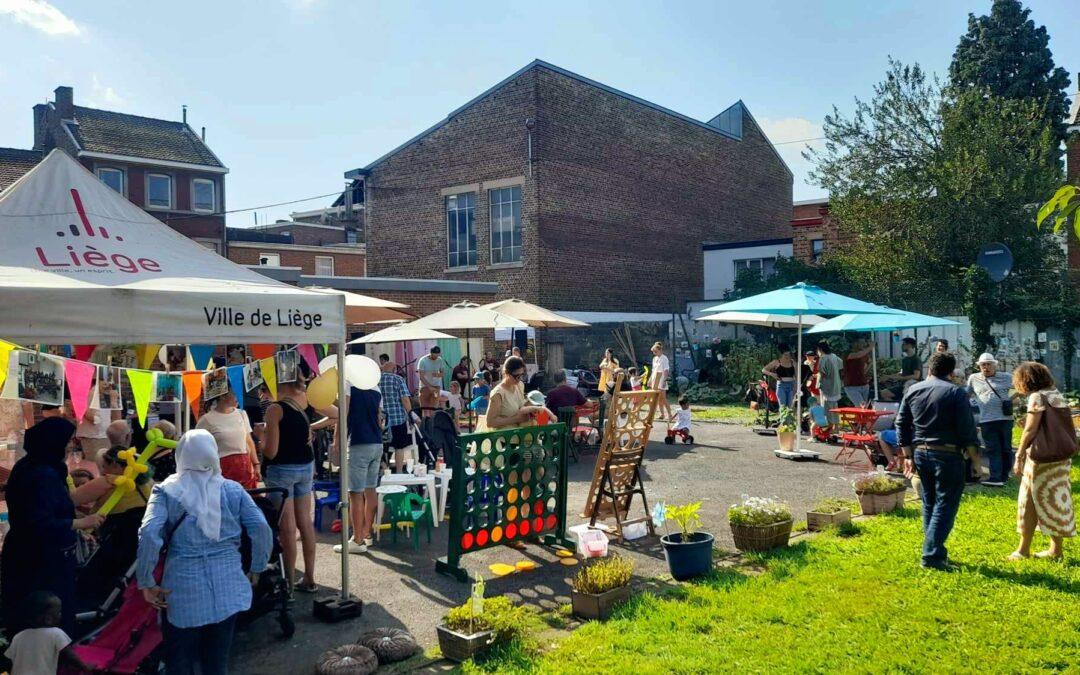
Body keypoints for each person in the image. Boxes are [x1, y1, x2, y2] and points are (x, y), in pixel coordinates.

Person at [137, 430, 271, 675]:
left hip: (182, 590)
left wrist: (146, 580)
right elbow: (261, 527)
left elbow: (148, 533)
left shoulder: (165, 492)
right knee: (216, 663)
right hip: (229, 585)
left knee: (179, 661)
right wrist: (257, 567)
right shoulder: (233, 490)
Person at [1, 417, 103, 637]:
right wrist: (79, 523)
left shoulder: (34, 466)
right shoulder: (42, 475)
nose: (70, 446)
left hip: (33, 555)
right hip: (38, 561)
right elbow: (38, 522)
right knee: (43, 623)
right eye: (67, 441)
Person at [896, 352, 979, 571]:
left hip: (921, 453)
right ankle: (931, 555)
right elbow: (967, 430)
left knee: (930, 503)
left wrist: (907, 455)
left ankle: (936, 552)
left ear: (929, 369)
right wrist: (976, 461)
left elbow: (901, 423)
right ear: (952, 372)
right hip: (948, 454)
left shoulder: (913, 390)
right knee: (945, 505)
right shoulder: (956, 392)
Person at [1008, 361, 1076, 561]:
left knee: (1029, 500)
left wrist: (1019, 454)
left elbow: (1030, 429)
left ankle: (1023, 550)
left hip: (1041, 458)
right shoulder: (1055, 393)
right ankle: (1056, 550)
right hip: (1060, 457)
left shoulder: (1037, 396)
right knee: (1054, 498)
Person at [261, 380, 318, 592]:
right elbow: (337, 412)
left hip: (282, 470)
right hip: (305, 466)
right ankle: (310, 577)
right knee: (305, 522)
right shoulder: (305, 399)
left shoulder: (275, 409)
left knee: (287, 528)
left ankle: (289, 585)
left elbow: (271, 452)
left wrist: (261, 438)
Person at [336, 381, 382, 554]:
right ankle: (366, 534)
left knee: (355, 493)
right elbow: (379, 420)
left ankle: (357, 540)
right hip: (377, 443)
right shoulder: (376, 389)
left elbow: (343, 414)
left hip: (358, 442)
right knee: (371, 490)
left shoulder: (348, 384)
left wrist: (336, 439)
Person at [4, 591, 93, 674]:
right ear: (48, 619)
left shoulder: (19, 636)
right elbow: (70, 656)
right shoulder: (56, 633)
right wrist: (86, 667)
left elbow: (9, 660)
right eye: (58, 612)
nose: (61, 615)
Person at [966, 353, 1015, 487]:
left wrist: (1011, 399)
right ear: (979, 366)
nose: (986, 367)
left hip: (1005, 419)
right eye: (983, 365)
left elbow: (1023, 387)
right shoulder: (973, 378)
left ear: (995, 365)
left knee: (1006, 448)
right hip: (986, 420)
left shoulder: (1006, 377)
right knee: (992, 449)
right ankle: (995, 478)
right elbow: (966, 395)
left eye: (989, 364)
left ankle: (1004, 476)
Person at [196, 389, 259, 489]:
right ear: (222, 396)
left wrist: (256, 464)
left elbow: (249, 441)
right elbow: (198, 449)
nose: (239, 398)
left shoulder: (242, 414)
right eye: (235, 394)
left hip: (244, 467)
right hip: (221, 469)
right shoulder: (206, 420)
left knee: (246, 501)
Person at [484, 357, 546, 430]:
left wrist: (531, 408)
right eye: (517, 376)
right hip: (505, 439)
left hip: (521, 436)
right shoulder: (498, 393)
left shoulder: (520, 385)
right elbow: (490, 422)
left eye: (522, 375)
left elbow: (519, 406)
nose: (520, 379)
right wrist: (516, 419)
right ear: (507, 373)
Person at [378, 356, 414, 474]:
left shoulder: (376, 380)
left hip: (381, 419)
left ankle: (384, 469)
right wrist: (410, 413)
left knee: (382, 446)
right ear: (394, 370)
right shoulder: (398, 379)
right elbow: (405, 399)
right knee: (399, 447)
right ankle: (398, 471)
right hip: (398, 418)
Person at [882, 337, 922, 401]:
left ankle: (901, 407)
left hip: (912, 387)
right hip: (903, 385)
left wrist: (899, 378)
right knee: (883, 393)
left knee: (884, 393)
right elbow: (902, 373)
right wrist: (888, 376)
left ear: (909, 345)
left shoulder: (916, 359)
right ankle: (898, 407)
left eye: (903, 344)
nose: (902, 346)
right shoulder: (905, 359)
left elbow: (916, 376)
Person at [816, 341, 844, 427]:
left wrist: (818, 382)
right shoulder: (834, 356)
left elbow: (822, 373)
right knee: (835, 407)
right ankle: (836, 427)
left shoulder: (823, 358)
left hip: (827, 386)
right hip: (836, 385)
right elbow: (841, 365)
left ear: (820, 350)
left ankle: (829, 428)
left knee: (827, 408)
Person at [762, 343, 797, 409]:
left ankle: (789, 419)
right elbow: (763, 370)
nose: (787, 356)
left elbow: (797, 376)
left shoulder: (793, 362)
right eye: (785, 355)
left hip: (791, 386)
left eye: (788, 354)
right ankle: (783, 419)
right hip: (781, 386)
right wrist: (772, 374)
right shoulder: (776, 362)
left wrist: (796, 386)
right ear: (781, 354)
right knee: (783, 407)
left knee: (790, 407)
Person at [843, 339, 873, 406]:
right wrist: (870, 347)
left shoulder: (864, 355)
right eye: (862, 343)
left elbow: (864, 369)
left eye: (864, 343)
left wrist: (870, 364)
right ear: (855, 344)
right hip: (851, 386)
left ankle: (862, 416)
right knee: (861, 406)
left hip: (864, 384)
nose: (864, 345)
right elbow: (857, 355)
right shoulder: (848, 354)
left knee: (864, 407)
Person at [417, 346, 446, 416]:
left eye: (438, 355)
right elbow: (421, 376)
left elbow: (443, 373)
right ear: (431, 353)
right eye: (435, 355)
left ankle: (432, 424)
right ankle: (426, 424)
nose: (436, 357)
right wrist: (429, 387)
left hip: (436, 388)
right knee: (425, 408)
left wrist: (438, 375)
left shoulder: (440, 360)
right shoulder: (423, 360)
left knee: (433, 408)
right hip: (425, 387)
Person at [650, 342, 673, 420]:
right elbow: (653, 370)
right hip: (655, 379)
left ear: (660, 350)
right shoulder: (654, 358)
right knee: (657, 398)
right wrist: (650, 379)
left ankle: (670, 414)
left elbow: (666, 370)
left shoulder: (664, 358)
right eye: (653, 352)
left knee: (663, 398)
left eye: (655, 351)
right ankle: (662, 414)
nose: (654, 353)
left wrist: (664, 380)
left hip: (662, 380)